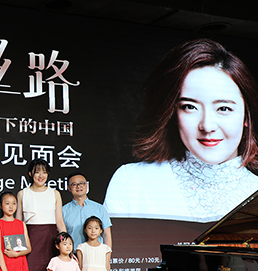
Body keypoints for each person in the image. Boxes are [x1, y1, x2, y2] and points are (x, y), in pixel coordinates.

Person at [104, 38, 258, 223]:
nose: (207, 126)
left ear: (246, 117)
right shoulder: (133, 182)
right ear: (172, 114)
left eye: (223, 108)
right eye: (190, 107)